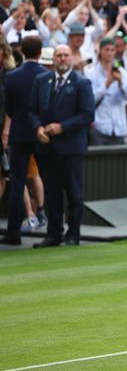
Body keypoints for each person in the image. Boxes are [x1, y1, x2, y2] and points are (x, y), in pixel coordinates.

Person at [28, 44, 95, 248]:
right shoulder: (42, 80)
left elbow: (87, 114)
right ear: (53, 59)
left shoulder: (82, 82)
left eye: (66, 55)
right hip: (46, 148)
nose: (63, 59)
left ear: (71, 59)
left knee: (74, 193)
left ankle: (73, 234)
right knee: (51, 192)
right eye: (59, 55)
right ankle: (54, 233)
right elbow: (31, 110)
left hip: (71, 147)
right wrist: (38, 128)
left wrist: (62, 127)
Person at [1, 36, 46, 246]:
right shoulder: (47, 75)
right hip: (41, 134)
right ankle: (54, 229)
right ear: (39, 53)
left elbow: (8, 107)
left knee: (17, 182)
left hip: (19, 134)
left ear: (24, 52)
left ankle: (13, 233)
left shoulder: (12, 76)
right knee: (50, 180)